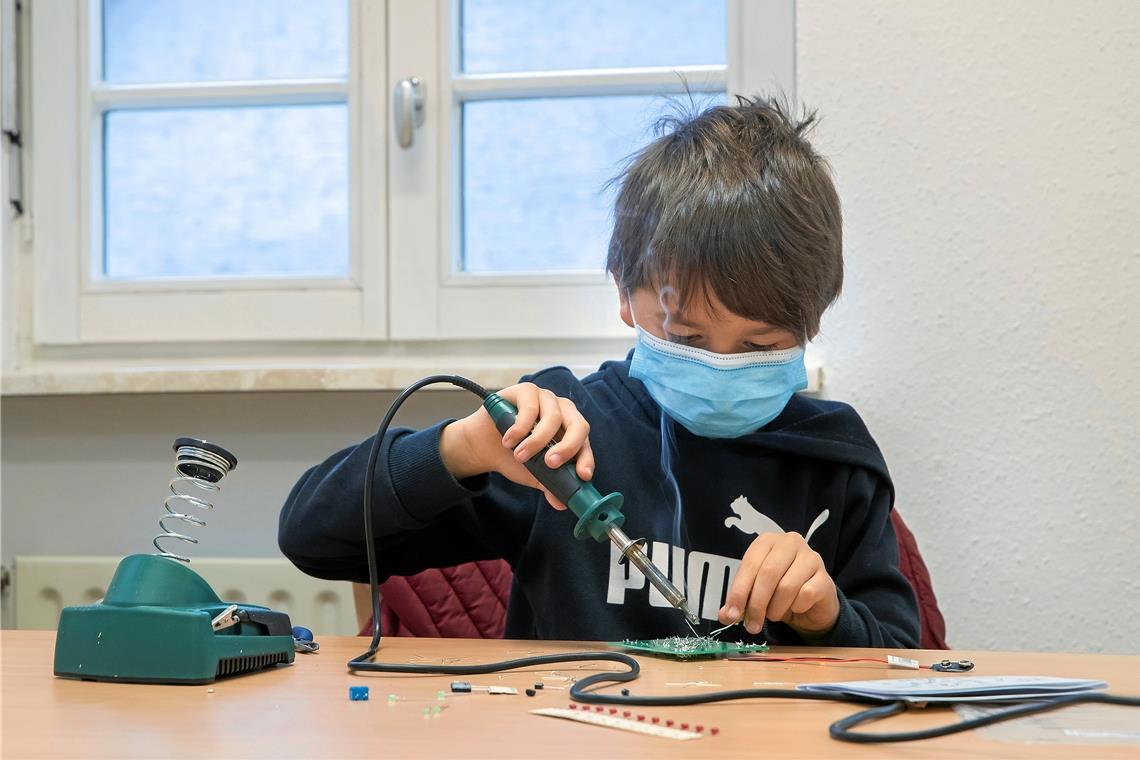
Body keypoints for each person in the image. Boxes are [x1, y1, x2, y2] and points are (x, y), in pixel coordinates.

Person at [279, 96, 920, 647]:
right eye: (687, 336)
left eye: (759, 346)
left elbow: (901, 657)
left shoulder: (834, 459)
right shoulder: (558, 439)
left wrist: (825, 614)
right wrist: (462, 448)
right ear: (623, 292)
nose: (721, 365)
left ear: (813, 321)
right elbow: (312, 537)